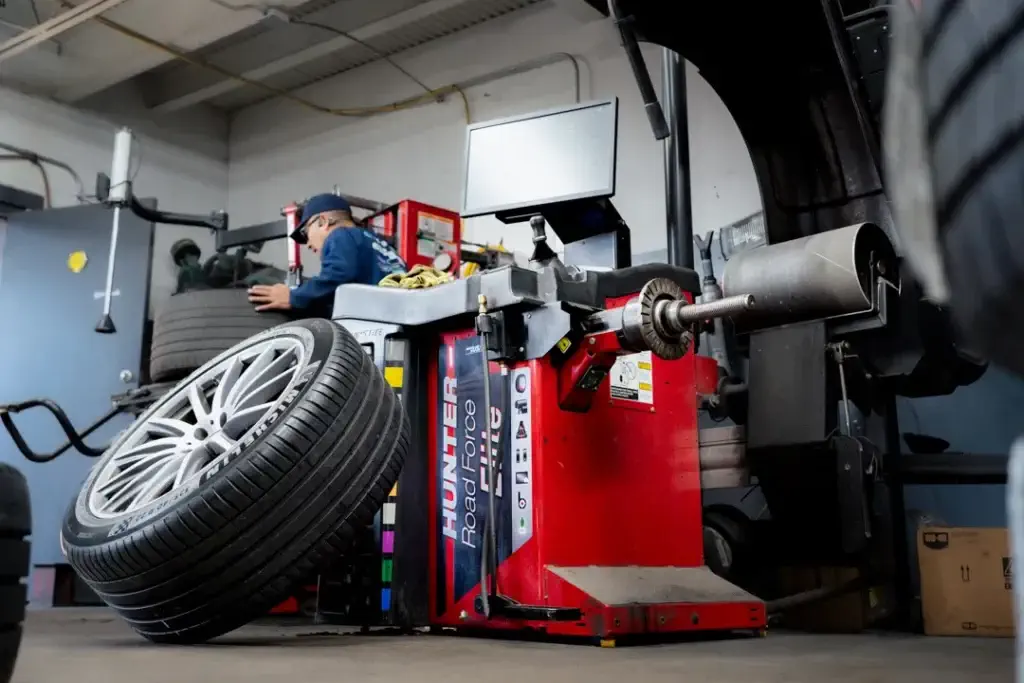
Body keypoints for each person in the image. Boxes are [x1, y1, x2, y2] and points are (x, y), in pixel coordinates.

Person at [247, 194, 406, 317]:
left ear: (322, 222)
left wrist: (293, 297)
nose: (308, 244)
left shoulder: (340, 235)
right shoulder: (378, 244)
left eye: (306, 233)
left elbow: (338, 276)